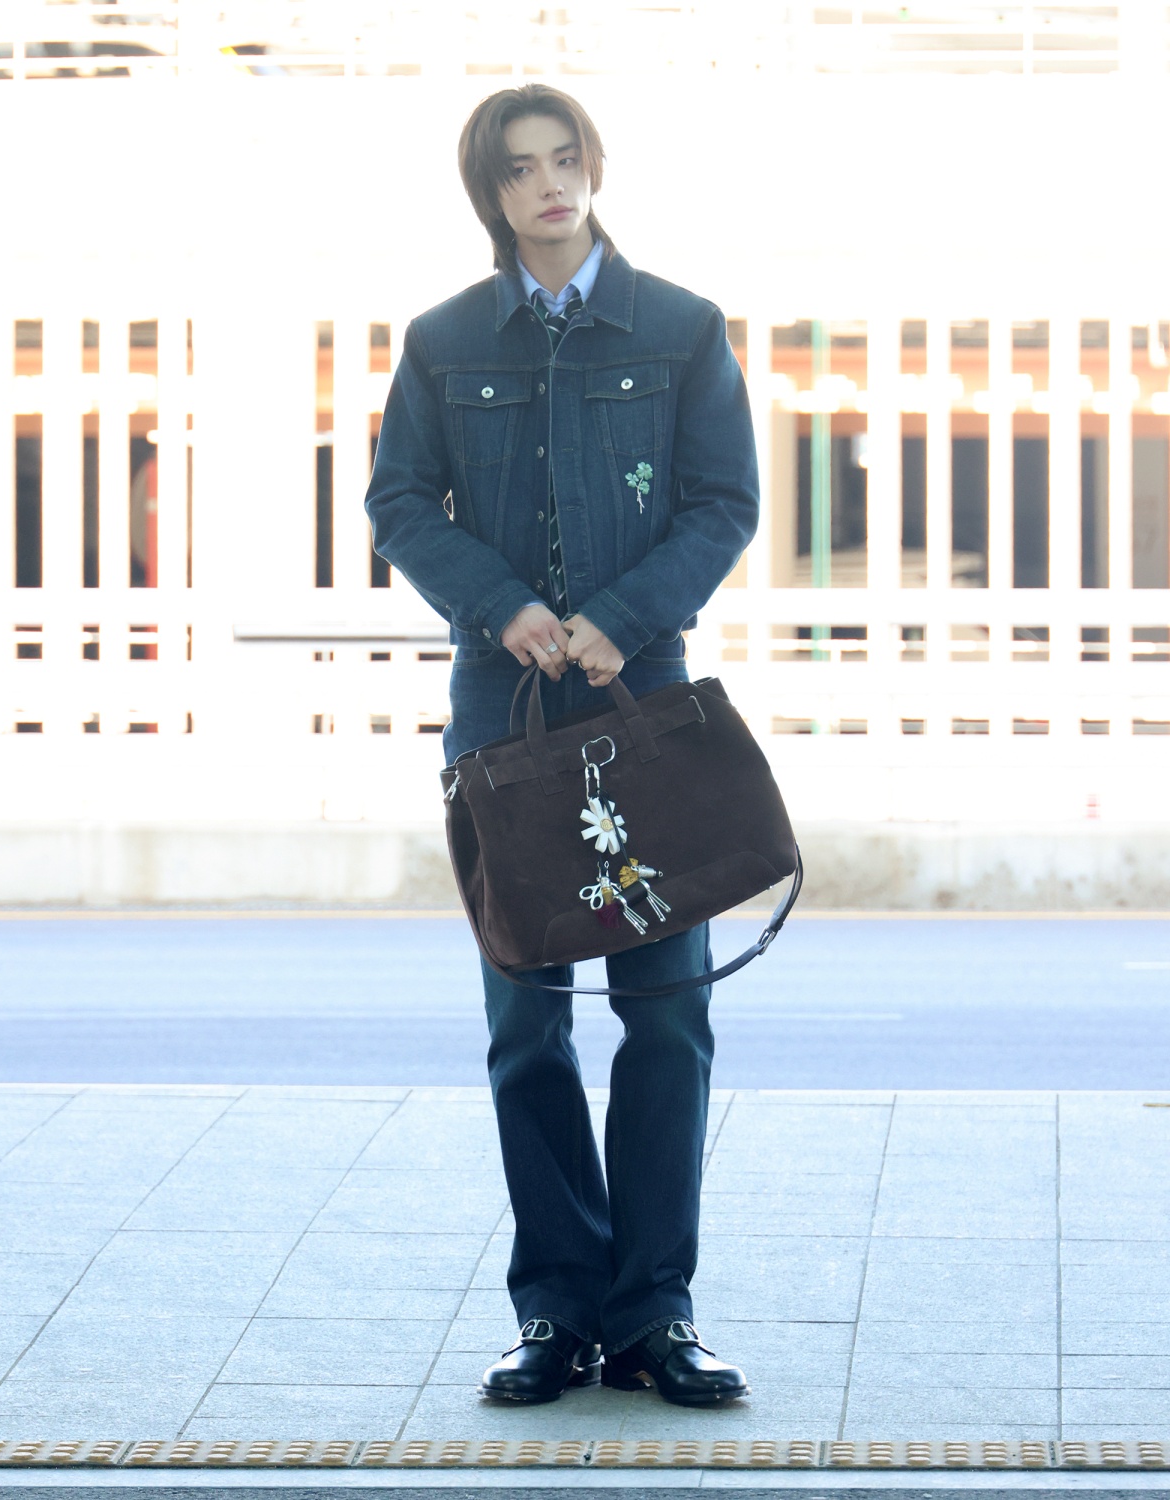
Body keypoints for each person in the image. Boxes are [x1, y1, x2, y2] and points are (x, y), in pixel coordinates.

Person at [365, 84, 759, 1407]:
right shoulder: (443, 341)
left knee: (668, 1014)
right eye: (521, 168)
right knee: (526, 1024)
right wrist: (507, 608)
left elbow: (723, 502)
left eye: (566, 159)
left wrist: (617, 622)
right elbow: (400, 502)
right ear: (490, 192)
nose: (550, 184)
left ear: (595, 167)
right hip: (503, 707)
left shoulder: (681, 328)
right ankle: (555, 1309)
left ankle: (654, 1315)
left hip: (644, 700)